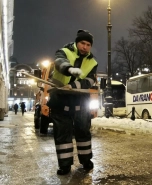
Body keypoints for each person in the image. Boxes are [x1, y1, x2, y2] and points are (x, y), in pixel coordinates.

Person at [47, 30, 98, 175]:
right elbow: (59, 63)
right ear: (77, 43)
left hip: (80, 100)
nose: (85, 47)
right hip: (60, 98)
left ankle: (86, 160)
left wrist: (74, 85)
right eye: (82, 43)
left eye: (88, 44)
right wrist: (69, 69)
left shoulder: (93, 62)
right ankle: (65, 165)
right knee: (63, 134)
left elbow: (90, 80)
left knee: (83, 131)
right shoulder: (63, 52)